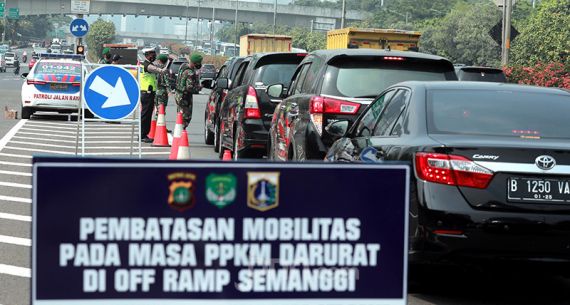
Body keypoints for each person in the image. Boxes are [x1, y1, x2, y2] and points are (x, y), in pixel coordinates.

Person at [140, 47, 170, 142]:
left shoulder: (147, 64)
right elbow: (162, 71)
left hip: (148, 93)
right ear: (147, 55)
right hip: (147, 93)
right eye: (152, 54)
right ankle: (142, 135)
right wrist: (170, 62)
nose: (154, 56)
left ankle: (144, 134)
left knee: (147, 115)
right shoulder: (147, 66)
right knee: (146, 115)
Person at [175, 53, 202, 129]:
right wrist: (198, 88)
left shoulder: (183, 66)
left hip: (178, 94)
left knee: (179, 115)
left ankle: (178, 133)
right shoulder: (190, 73)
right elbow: (189, 87)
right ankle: (180, 133)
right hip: (185, 97)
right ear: (195, 63)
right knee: (186, 117)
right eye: (199, 63)